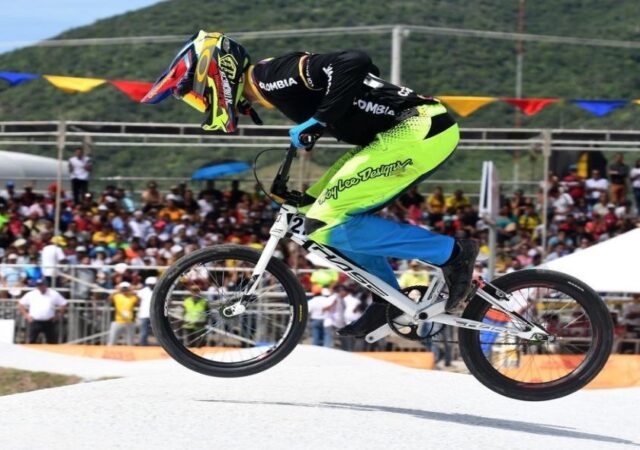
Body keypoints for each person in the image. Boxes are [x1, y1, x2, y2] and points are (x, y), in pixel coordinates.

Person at [142, 31, 479, 340]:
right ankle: (387, 299)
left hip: (416, 128)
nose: (202, 105)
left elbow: (354, 60)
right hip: (396, 136)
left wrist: (320, 121)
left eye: (199, 97)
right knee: (308, 214)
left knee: (326, 221)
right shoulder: (271, 88)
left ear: (215, 73)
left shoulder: (268, 76)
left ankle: (452, 253)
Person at [18, 279, 68, 344]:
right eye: (38, 285)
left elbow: (64, 303)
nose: (40, 287)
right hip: (34, 321)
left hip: (49, 322)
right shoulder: (31, 294)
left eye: (42, 285)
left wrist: (58, 315)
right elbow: (20, 304)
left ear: (46, 285)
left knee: (52, 342)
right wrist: (26, 315)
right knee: (31, 341)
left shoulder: (53, 293)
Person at [136, 277, 156, 346]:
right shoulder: (143, 291)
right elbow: (137, 299)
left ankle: (161, 345)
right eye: (150, 284)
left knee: (157, 332)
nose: (151, 286)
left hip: (154, 315)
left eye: (152, 284)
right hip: (144, 314)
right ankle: (143, 345)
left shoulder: (156, 291)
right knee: (144, 331)